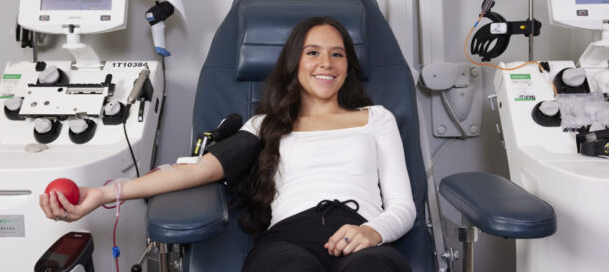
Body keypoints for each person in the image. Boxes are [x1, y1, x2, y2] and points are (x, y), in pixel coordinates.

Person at [40, 16, 416, 272]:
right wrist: (103, 194)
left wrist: (374, 232)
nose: (326, 62)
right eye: (313, 52)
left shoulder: (376, 118)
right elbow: (198, 171)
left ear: (348, 65)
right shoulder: (266, 124)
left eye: (338, 54)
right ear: (294, 63)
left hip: (362, 236)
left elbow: (402, 206)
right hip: (290, 241)